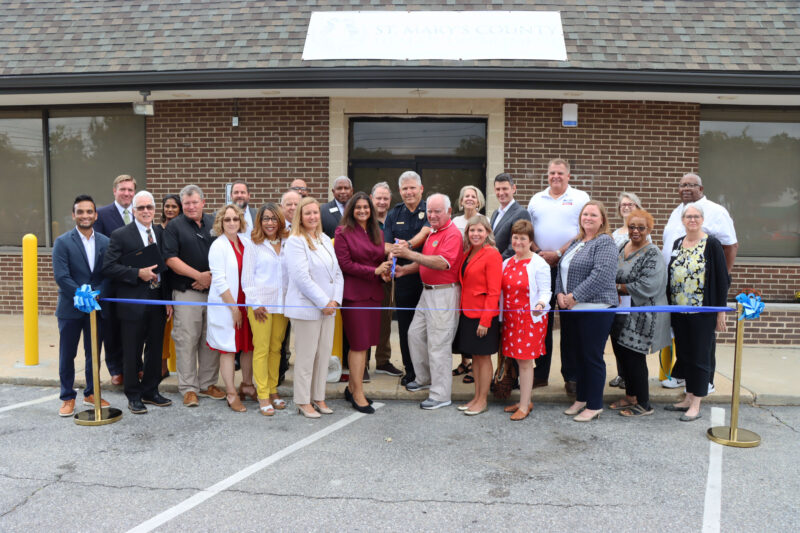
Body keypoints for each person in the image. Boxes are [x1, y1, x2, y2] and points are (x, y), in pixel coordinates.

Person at [660, 173, 738, 391]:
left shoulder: (715, 211)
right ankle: (684, 374)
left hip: (702, 294)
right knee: (684, 339)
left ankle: (707, 380)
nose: (686, 188)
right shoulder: (677, 211)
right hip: (678, 294)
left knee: (703, 343)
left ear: (701, 189)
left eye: (692, 185)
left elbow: (730, 245)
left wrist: (722, 277)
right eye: (682, 185)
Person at [102, 191, 173, 414]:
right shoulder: (121, 235)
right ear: (133, 211)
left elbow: (167, 269)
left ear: (154, 210)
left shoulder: (161, 234)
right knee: (132, 351)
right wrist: (137, 273)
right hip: (132, 303)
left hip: (157, 301)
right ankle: (133, 395)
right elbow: (109, 267)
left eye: (149, 207)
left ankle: (151, 390)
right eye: (140, 208)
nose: (145, 211)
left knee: (155, 349)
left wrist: (168, 300)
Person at [392, 193, 463, 410]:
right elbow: (426, 262)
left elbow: (442, 263)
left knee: (438, 344)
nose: (432, 215)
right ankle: (424, 378)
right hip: (427, 292)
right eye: (430, 211)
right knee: (414, 334)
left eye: (437, 211)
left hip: (443, 294)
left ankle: (441, 395)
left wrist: (409, 254)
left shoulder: (452, 234)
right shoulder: (434, 232)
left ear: (449, 212)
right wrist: (405, 269)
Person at [527, 159, 590, 393]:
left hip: (569, 266)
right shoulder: (536, 199)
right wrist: (537, 252)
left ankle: (571, 377)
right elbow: (527, 229)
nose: (556, 176)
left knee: (569, 322)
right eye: (552, 173)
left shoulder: (581, 197)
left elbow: (583, 231)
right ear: (547, 175)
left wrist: (559, 252)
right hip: (541, 265)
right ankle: (540, 374)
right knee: (541, 320)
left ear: (568, 175)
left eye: (560, 173)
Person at [666, 203, 730, 421]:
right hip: (679, 310)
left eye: (696, 216)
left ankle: (696, 404)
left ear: (702, 220)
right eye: (688, 216)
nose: (692, 220)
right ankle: (687, 396)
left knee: (700, 357)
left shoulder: (711, 244)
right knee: (685, 355)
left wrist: (720, 312)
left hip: (703, 312)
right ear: (682, 220)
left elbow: (722, 279)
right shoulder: (677, 243)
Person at [163, 185, 225, 407]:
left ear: (203, 202)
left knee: (211, 339)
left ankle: (207, 384)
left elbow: (225, 251)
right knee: (187, 339)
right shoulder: (174, 227)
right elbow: (171, 259)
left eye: (194, 202)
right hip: (187, 292)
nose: (191, 206)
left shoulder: (214, 223)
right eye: (186, 203)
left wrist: (210, 277)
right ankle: (188, 388)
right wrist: (198, 276)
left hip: (215, 294)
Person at [556, 200, 618, 422]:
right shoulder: (577, 242)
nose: (588, 218)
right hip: (571, 309)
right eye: (585, 215)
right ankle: (581, 399)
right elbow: (561, 269)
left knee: (591, 357)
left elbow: (601, 275)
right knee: (578, 356)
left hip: (595, 309)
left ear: (602, 219)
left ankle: (594, 404)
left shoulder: (605, 243)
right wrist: (560, 295)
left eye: (593, 215)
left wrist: (574, 296)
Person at [284, 197, 344, 418]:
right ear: (300, 216)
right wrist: (323, 302)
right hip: (307, 308)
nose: (312, 217)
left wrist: (335, 301)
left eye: (315, 213)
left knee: (323, 355)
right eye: (307, 213)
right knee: (307, 356)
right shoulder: (295, 241)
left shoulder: (325, 239)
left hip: (329, 309)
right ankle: (302, 399)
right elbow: (301, 277)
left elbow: (337, 273)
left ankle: (318, 396)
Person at [608, 208, 670, 418]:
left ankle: (643, 403)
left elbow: (648, 285)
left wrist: (616, 288)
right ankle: (630, 396)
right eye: (632, 227)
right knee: (622, 355)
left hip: (642, 315)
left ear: (649, 229)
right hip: (620, 312)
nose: (635, 231)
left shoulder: (653, 253)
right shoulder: (622, 246)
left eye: (641, 228)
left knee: (634, 357)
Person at [52, 195, 110, 417]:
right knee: (67, 354)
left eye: (89, 212)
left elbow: (108, 275)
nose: (85, 215)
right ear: (73, 214)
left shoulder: (105, 242)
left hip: (95, 307)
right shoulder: (62, 242)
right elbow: (61, 276)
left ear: (95, 215)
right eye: (80, 211)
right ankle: (67, 397)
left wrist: (96, 294)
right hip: (70, 308)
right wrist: (80, 294)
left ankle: (91, 392)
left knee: (93, 353)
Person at [334, 192, 392, 414]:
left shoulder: (377, 230)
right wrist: (373, 271)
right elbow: (345, 264)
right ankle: (358, 394)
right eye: (357, 207)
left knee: (365, 345)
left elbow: (379, 260)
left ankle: (352, 388)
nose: (362, 211)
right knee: (358, 345)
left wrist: (384, 273)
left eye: (365, 207)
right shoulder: (343, 232)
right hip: (354, 295)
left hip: (374, 293)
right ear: (351, 210)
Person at [499, 220, 551, 421]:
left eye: (522, 238)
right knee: (517, 360)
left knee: (526, 362)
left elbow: (546, 291)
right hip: (511, 320)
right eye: (515, 237)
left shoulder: (539, 263)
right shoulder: (507, 263)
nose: (518, 242)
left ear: (530, 241)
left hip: (530, 319)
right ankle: (524, 400)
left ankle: (524, 405)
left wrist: (540, 304)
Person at [383, 171, 431, 386]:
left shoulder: (430, 209)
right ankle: (410, 370)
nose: (409, 192)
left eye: (413, 188)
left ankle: (429, 371)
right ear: (400, 191)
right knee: (406, 327)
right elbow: (385, 244)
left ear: (421, 189)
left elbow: (425, 234)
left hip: (428, 278)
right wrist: (393, 251)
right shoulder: (395, 214)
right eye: (404, 189)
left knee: (430, 328)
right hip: (403, 280)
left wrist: (407, 245)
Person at [242, 203, 290, 416]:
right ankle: (262, 394)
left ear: (280, 221)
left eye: (273, 219)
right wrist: (254, 303)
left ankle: (272, 390)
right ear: (259, 222)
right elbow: (247, 277)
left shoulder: (289, 242)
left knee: (276, 349)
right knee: (261, 349)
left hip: (282, 304)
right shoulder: (253, 244)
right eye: (265, 219)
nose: (270, 223)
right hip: (261, 305)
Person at [206, 204, 255, 413]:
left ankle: (247, 384)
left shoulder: (246, 242)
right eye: (227, 220)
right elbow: (219, 279)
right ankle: (231, 393)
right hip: (228, 305)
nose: (232, 223)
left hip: (246, 301)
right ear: (220, 223)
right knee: (228, 349)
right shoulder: (218, 246)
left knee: (247, 347)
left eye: (235, 219)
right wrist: (233, 308)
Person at [454, 215, 502, 416]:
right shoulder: (468, 253)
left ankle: (482, 400)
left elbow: (494, 291)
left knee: (483, 358)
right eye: (472, 230)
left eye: (479, 230)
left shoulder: (492, 254)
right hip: (467, 312)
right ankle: (475, 397)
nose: (475, 234)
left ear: (488, 233)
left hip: (483, 315)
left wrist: (486, 320)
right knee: (475, 357)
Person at [94, 174, 137, 384]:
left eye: (130, 190)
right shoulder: (101, 215)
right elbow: (99, 250)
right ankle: (116, 369)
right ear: (114, 191)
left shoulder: (140, 213)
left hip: (134, 281)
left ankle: (134, 366)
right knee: (112, 328)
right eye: (123, 189)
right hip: (111, 281)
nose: (127, 193)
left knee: (133, 326)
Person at [608, 191, 648, 389]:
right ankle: (621, 374)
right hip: (614, 294)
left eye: (631, 204)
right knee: (616, 334)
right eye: (623, 204)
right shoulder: (614, 234)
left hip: (631, 294)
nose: (626, 207)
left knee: (630, 337)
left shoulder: (642, 233)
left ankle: (633, 379)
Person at [370, 182, 402, 377]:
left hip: (388, 279)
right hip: (367, 276)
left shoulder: (393, 219)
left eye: (385, 198)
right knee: (364, 320)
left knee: (385, 320)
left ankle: (383, 361)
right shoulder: (364, 219)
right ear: (372, 199)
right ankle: (362, 363)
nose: (382, 202)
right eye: (378, 198)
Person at [277, 189, 302, 385]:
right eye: (288, 204)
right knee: (280, 337)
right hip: (280, 290)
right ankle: (279, 373)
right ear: (282, 207)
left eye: (296, 204)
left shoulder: (309, 227)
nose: (292, 208)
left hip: (303, 293)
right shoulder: (273, 228)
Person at [160, 194, 181, 381]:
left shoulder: (182, 228)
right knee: (163, 329)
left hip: (178, 281)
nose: (170, 209)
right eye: (167, 206)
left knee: (178, 329)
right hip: (161, 282)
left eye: (174, 206)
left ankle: (177, 367)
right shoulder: (158, 230)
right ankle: (163, 366)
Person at [490, 173, 531, 260]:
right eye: (498, 189)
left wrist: (497, 262)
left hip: (507, 266)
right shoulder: (495, 213)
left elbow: (515, 246)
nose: (501, 193)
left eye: (505, 189)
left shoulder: (521, 213)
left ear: (513, 189)